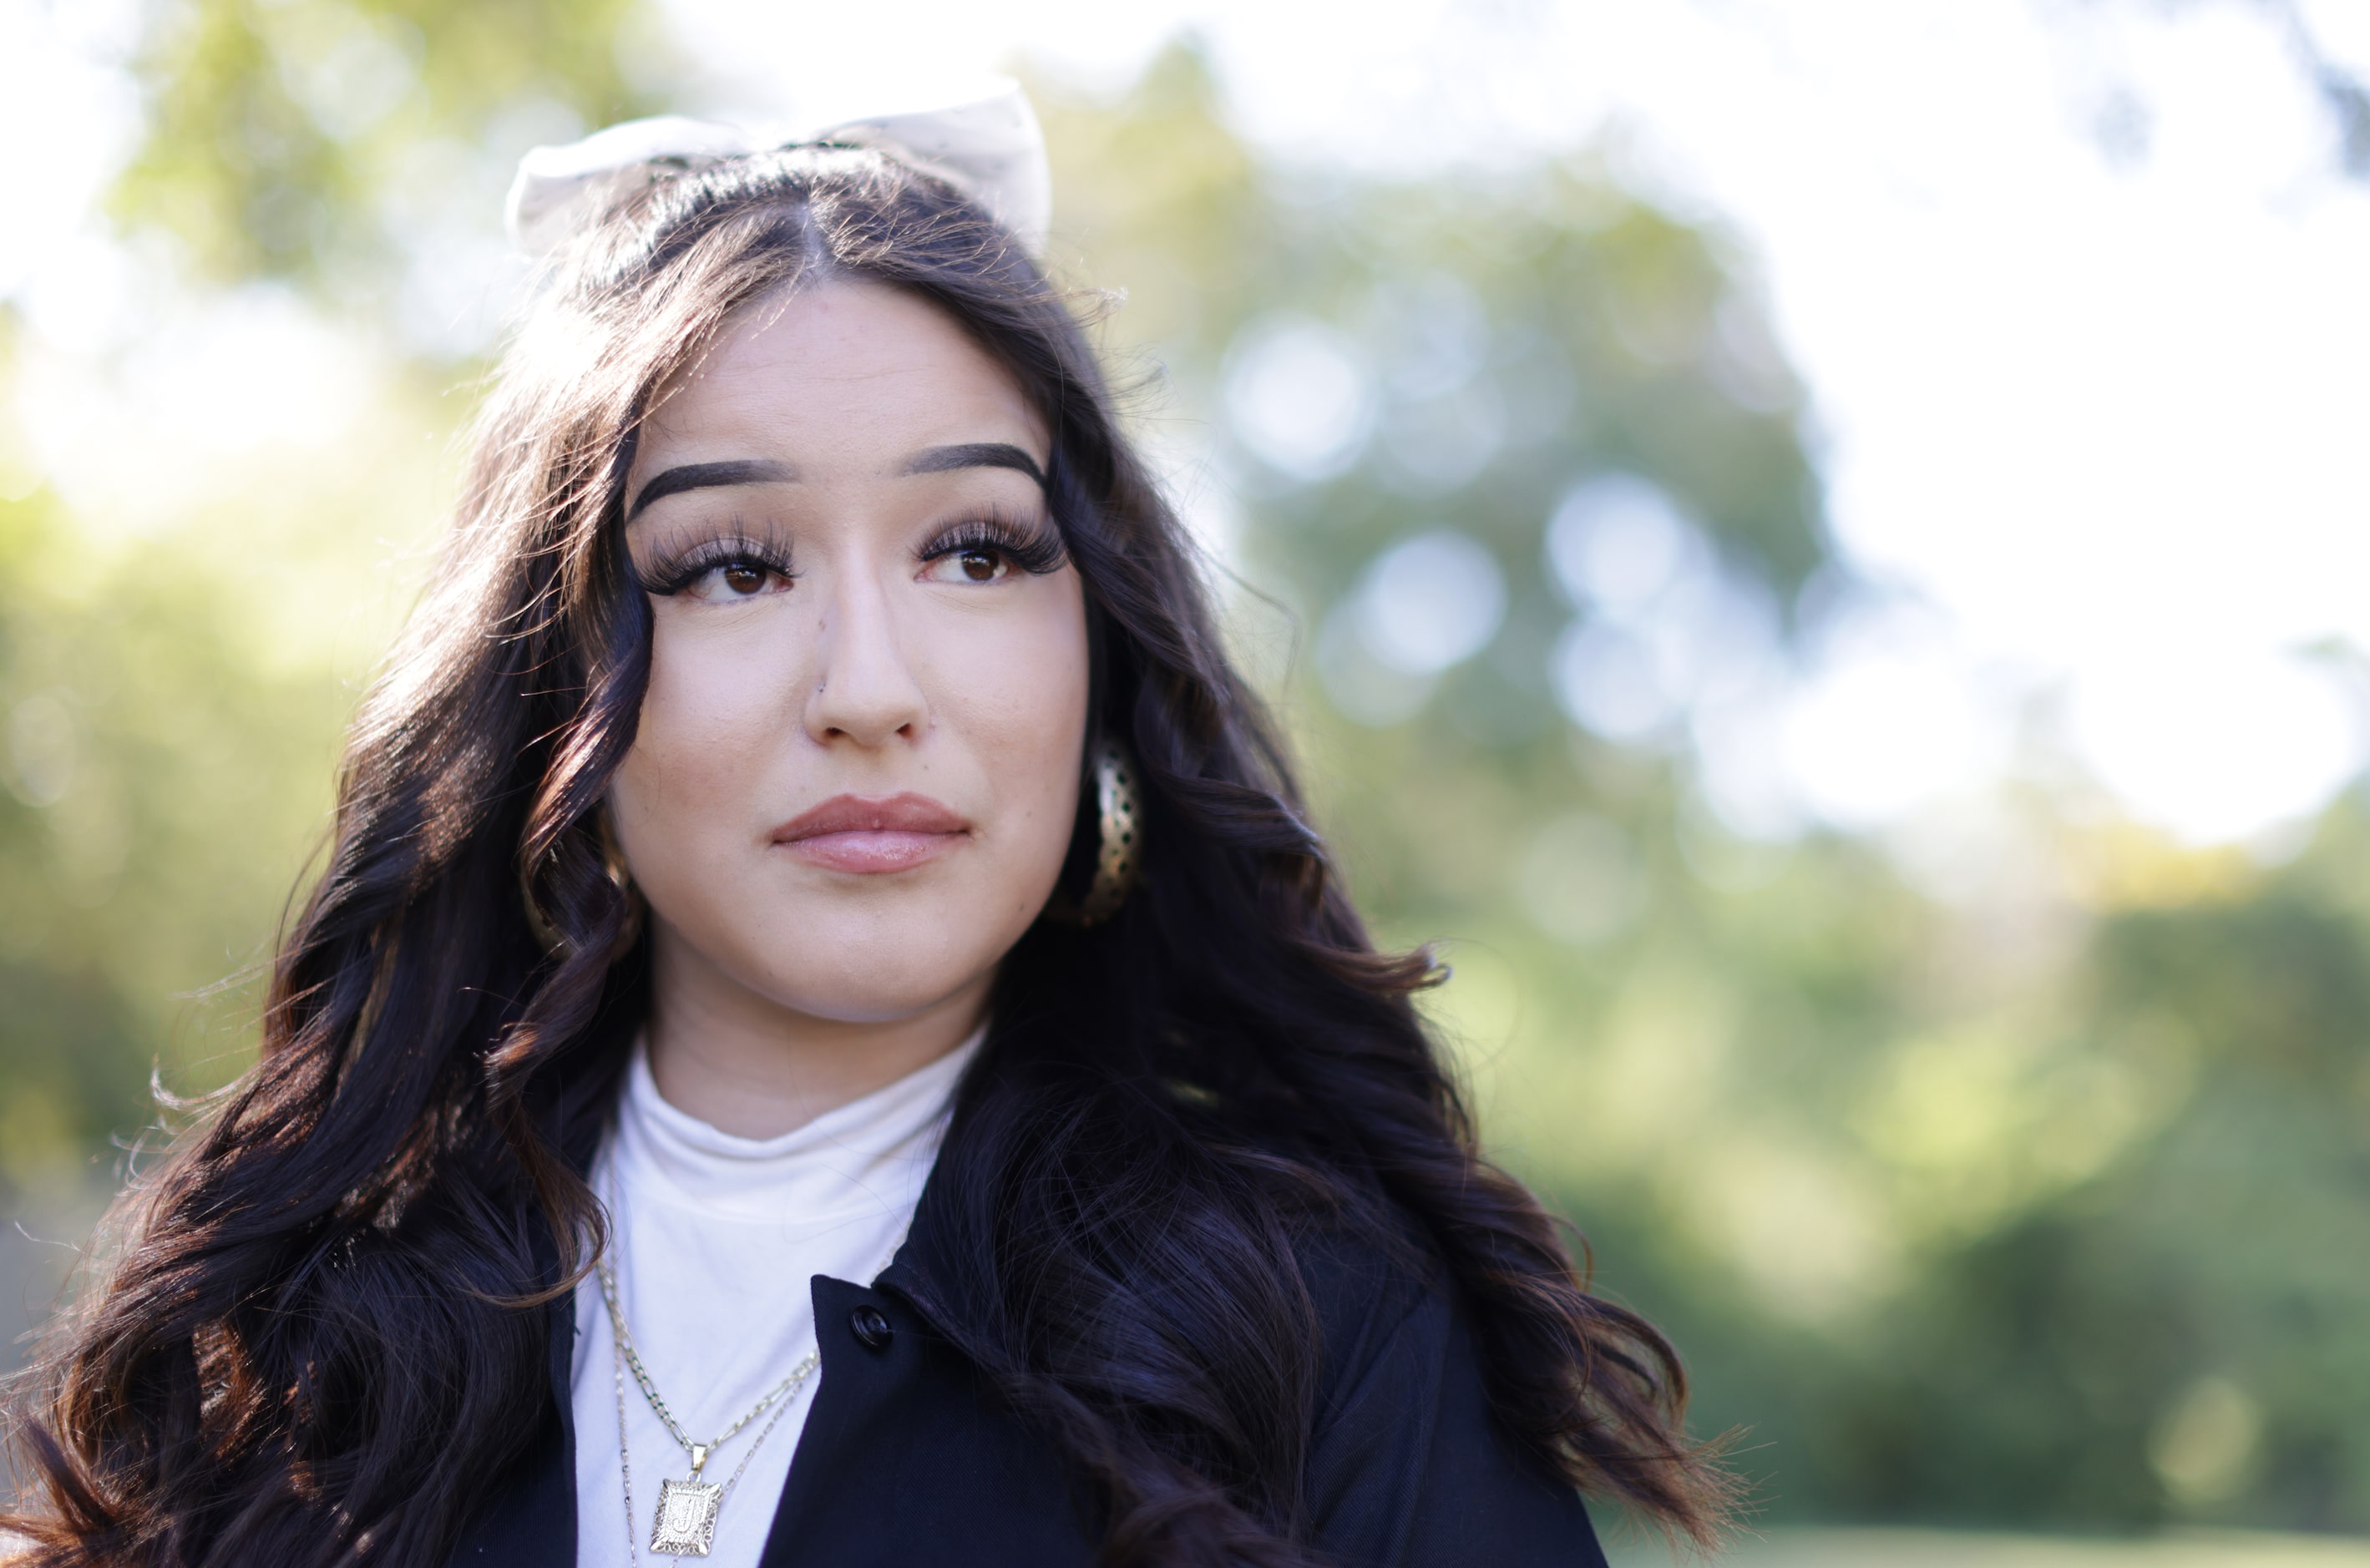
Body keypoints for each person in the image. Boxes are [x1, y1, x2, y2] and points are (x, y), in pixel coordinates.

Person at [3, 83, 1734, 1568]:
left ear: (1101, 644)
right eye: (735, 566)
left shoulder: (1320, 1331)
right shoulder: (288, 1352)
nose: (871, 686)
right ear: (553, 679)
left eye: (974, 550)